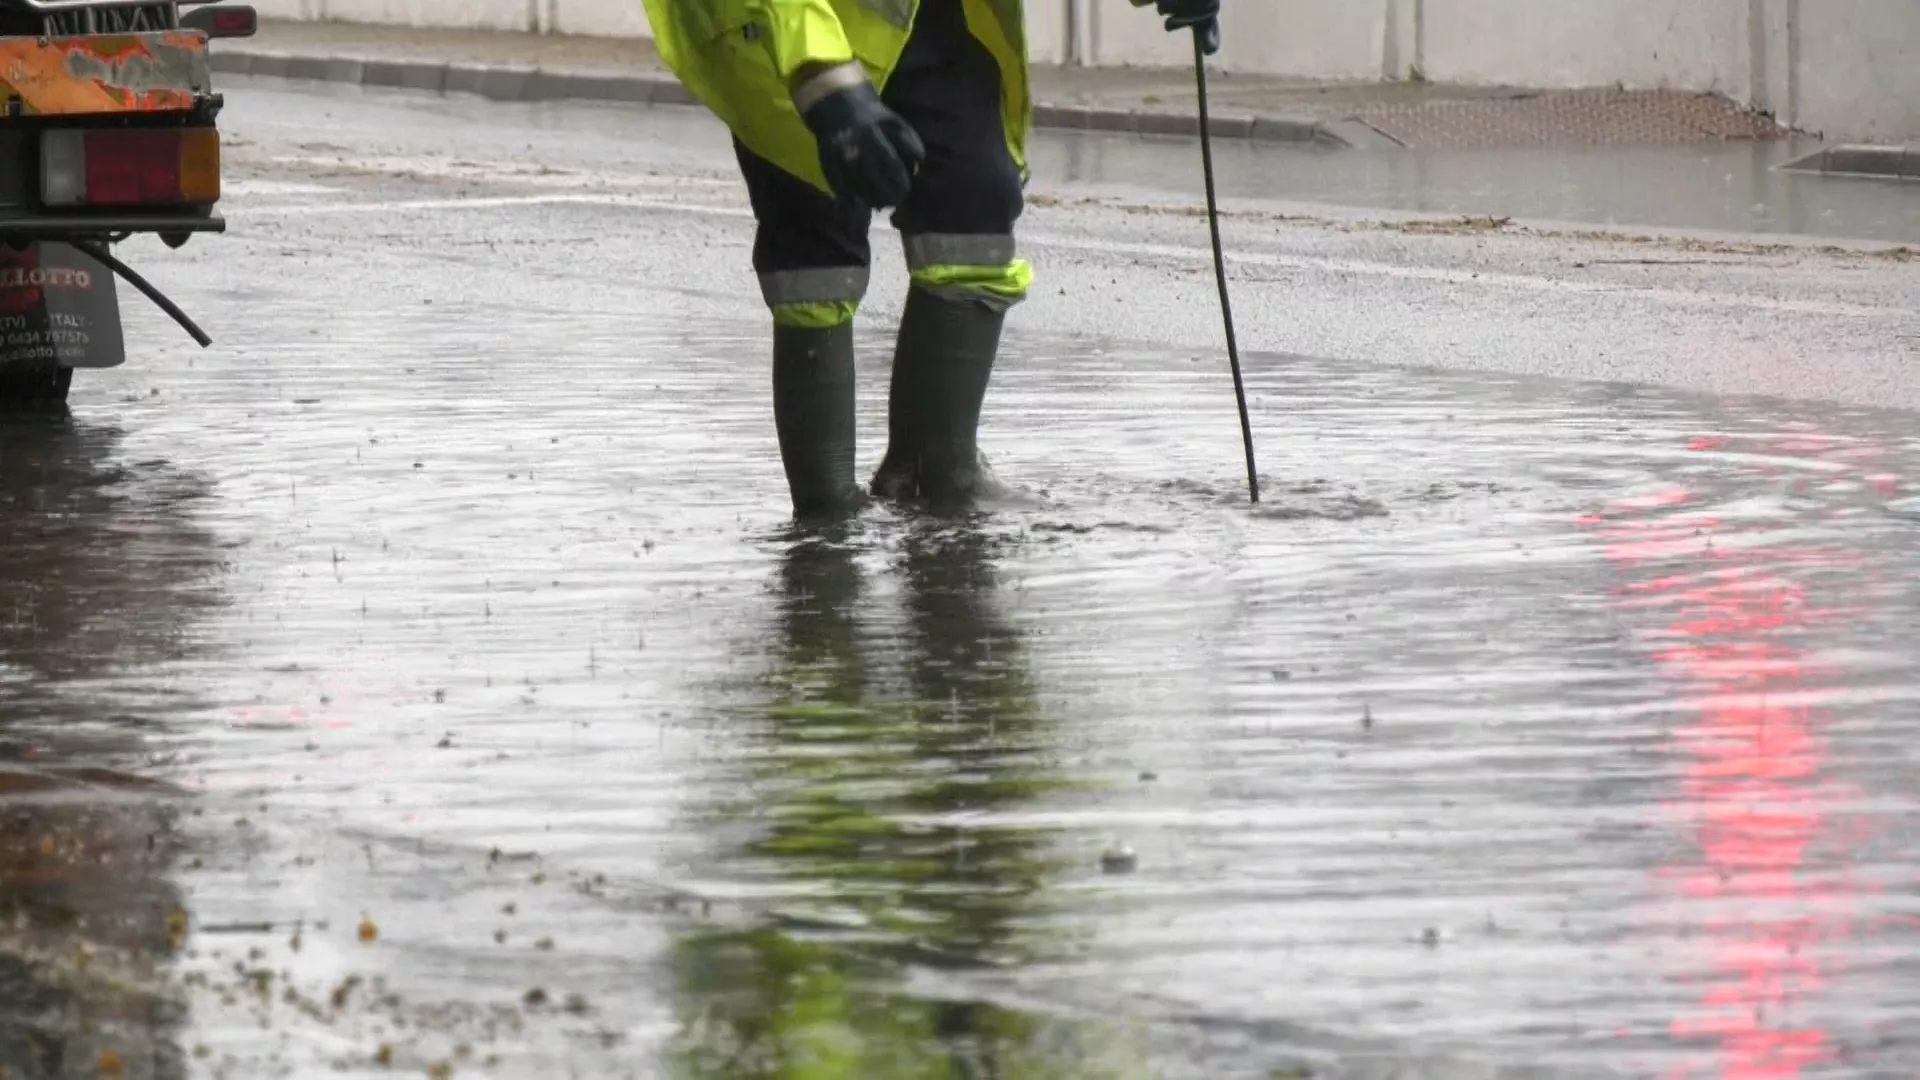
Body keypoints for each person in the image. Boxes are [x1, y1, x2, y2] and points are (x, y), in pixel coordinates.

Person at [639, 0, 1223, 518]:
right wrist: (826, 81)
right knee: (815, 246)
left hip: (934, 17)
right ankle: (826, 513)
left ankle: (935, 473)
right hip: (774, 23)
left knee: (975, 202)